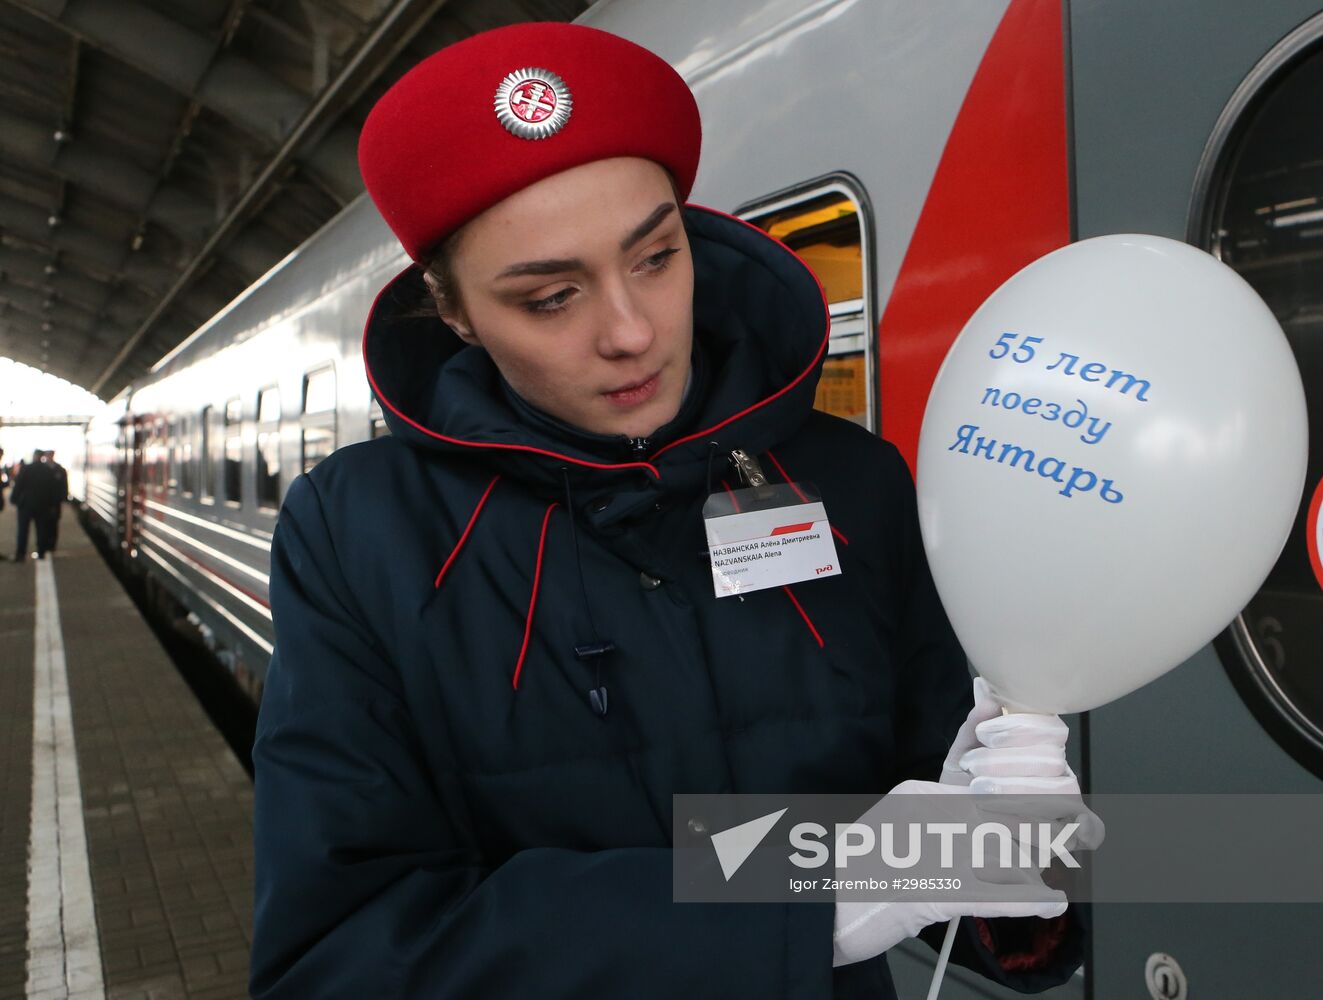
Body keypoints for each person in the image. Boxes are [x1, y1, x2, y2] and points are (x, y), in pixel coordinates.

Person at [250, 22, 1088, 998]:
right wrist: (806, 897)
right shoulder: (358, 538)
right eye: (551, 297)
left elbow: (939, 821)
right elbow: (336, 950)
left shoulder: (853, 481)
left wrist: (1018, 865)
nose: (633, 331)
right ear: (452, 310)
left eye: (656, 256)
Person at [11, 449, 59, 560]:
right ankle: (41, 553)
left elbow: (19, 485)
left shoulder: (26, 469)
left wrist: (14, 499)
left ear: (34, 456)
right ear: (42, 457)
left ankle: (20, 555)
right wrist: (52, 504)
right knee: (42, 530)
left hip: (26, 505)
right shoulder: (48, 470)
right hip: (43, 505)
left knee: (23, 530)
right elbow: (53, 489)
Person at [43, 451, 68, 552]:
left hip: (55, 502)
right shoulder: (42, 469)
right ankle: (44, 544)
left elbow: (64, 485)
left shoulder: (60, 469)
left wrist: (63, 497)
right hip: (44, 502)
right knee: (44, 524)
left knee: (54, 524)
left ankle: (52, 545)